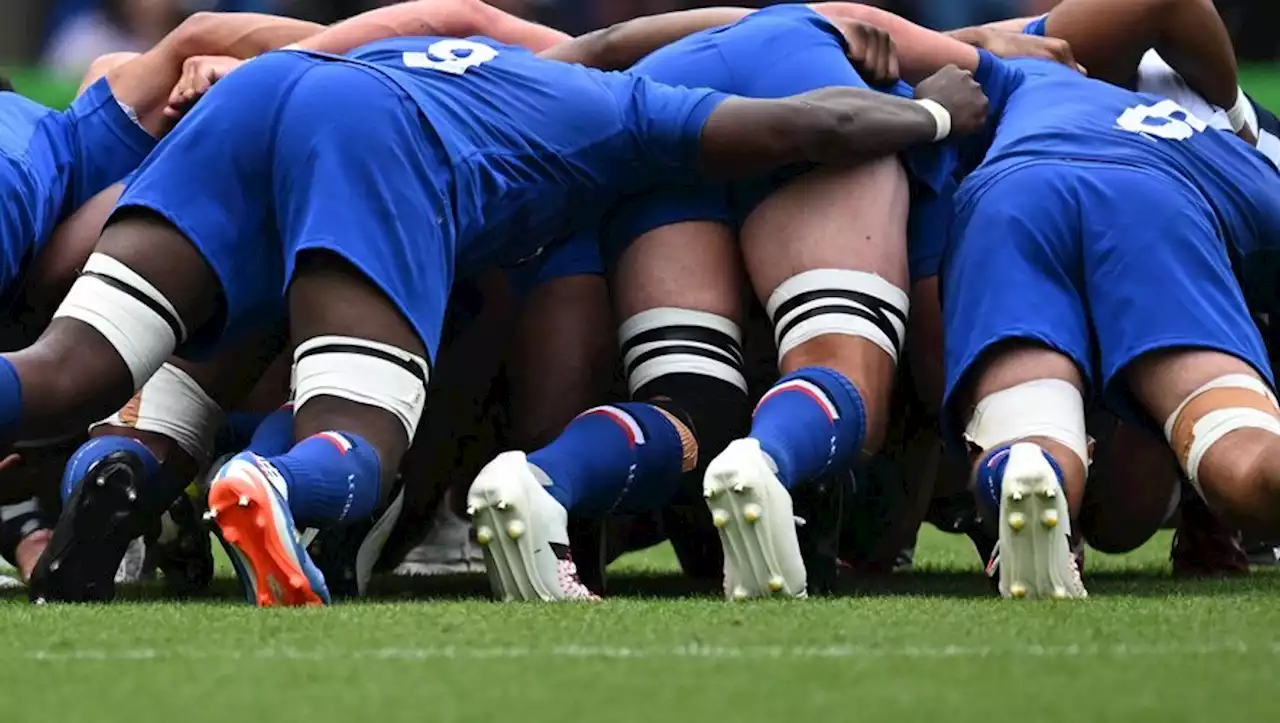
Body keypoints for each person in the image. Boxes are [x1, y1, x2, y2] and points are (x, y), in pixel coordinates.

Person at [944, 48, 1280, 599]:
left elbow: (898, 50)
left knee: (1025, 422)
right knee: (1235, 439)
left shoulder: (1033, 75)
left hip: (1014, 194)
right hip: (1156, 204)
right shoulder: (1238, 156)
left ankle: (1024, 462)